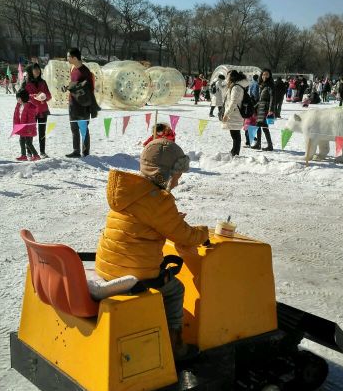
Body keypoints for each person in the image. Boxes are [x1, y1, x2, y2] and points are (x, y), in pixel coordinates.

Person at [94, 139, 209, 359]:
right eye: (178, 175)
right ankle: (175, 346)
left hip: (108, 266)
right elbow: (184, 236)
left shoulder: (130, 192)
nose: (179, 180)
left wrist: (170, 220)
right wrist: (204, 232)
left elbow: (144, 222)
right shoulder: (158, 201)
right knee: (176, 289)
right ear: (165, 174)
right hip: (132, 273)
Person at [65, 47, 98, 158]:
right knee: (74, 128)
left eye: (68, 56)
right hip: (72, 103)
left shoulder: (86, 72)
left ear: (74, 57)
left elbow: (90, 88)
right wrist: (68, 87)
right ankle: (76, 150)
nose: (67, 59)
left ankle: (85, 151)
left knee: (83, 128)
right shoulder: (72, 69)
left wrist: (75, 87)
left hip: (83, 105)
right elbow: (73, 84)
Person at [23, 63, 52, 158]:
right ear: (31, 71)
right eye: (35, 69)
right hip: (31, 111)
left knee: (42, 132)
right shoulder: (26, 83)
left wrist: (44, 96)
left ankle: (42, 152)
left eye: (38, 69)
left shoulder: (43, 82)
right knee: (30, 131)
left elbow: (49, 95)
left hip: (43, 110)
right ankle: (29, 152)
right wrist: (34, 96)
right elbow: (22, 96)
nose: (37, 71)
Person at [221, 70, 247, 157]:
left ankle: (235, 152)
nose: (226, 78)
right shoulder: (233, 86)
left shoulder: (236, 87)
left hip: (235, 114)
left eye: (227, 76)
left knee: (235, 134)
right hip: (234, 113)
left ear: (231, 77)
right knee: (234, 133)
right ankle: (234, 150)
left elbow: (233, 102)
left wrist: (227, 114)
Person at [13, 89, 39, 162]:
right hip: (22, 127)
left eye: (18, 98)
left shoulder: (30, 107)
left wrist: (29, 128)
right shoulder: (19, 106)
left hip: (28, 128)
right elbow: (17, 116)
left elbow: (31, 120)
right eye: (17, 98)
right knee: (21, 141)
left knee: (28, 142)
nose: (17, 100)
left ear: (23, 98)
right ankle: (23, 155)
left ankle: (36, 155)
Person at [251, 69, 274, 150]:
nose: (265, 76)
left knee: (260, 126)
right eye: (263, 74)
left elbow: (272, 98)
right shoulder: (262, 84)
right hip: (261, 106)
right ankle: (266, 144)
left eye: (267, 74)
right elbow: (261, 98)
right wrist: (255, 106)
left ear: (269, 75)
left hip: (265, 107)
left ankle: (261, 144)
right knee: (263, 126)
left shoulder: (270, 85)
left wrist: (270, 109)